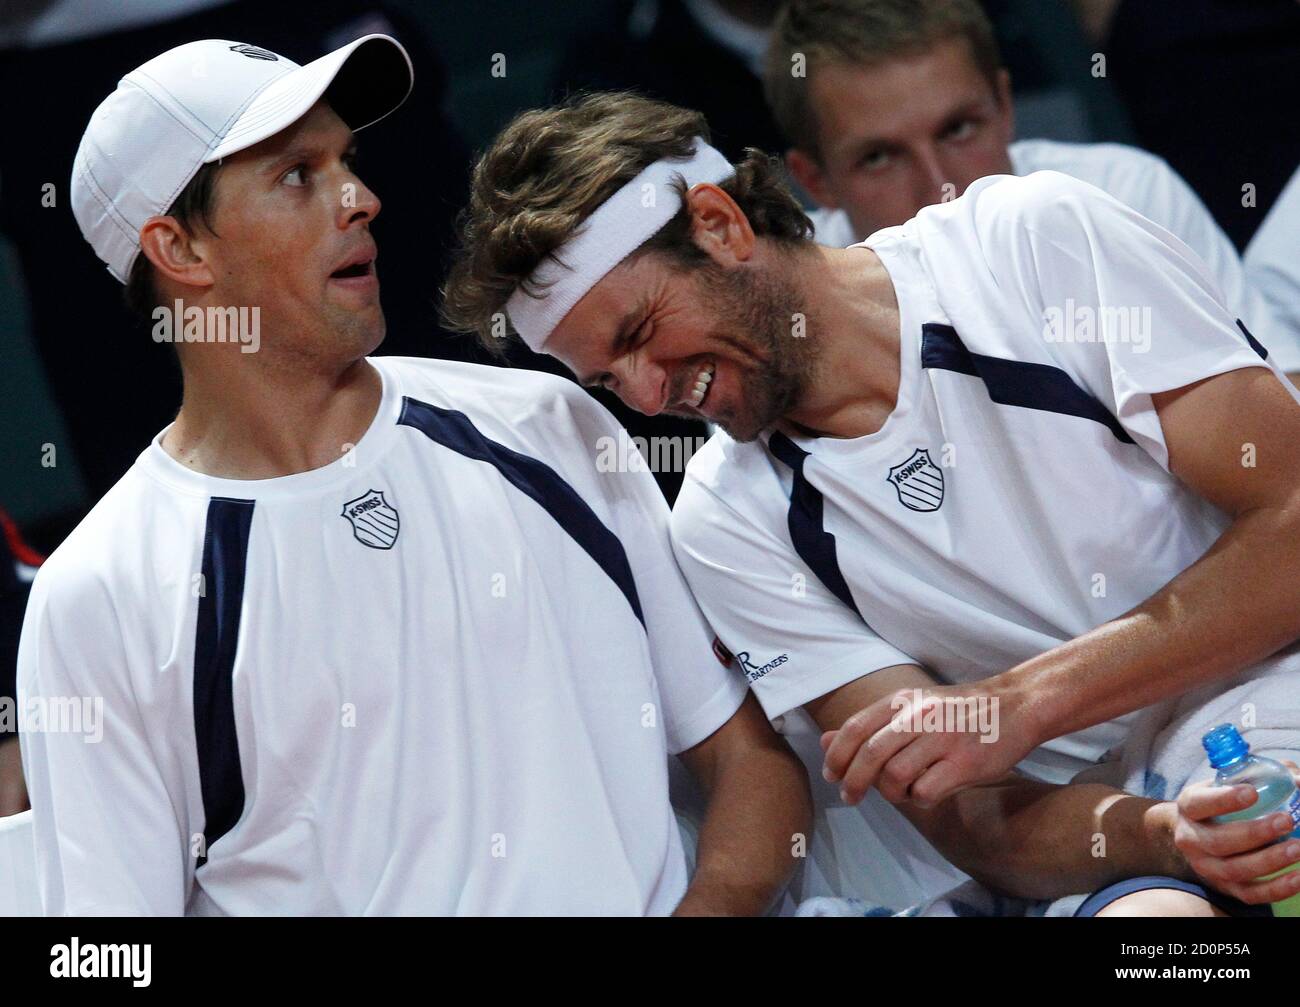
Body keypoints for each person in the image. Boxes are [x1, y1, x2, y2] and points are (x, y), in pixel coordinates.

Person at [441, 90, 1300, 915]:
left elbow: (1292, 514)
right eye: (604, 377)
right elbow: (978, 823)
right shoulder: (722, 524)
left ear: (721, 224)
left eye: (638, 334)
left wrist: (1023, 701)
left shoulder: (1032, 242)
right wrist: (1163, 835)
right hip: (1134, 839)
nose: (644, 393)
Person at [18, 38, 809, 916]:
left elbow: (749, 767)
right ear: (178, 247)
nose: (362, 199)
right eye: (297, 176)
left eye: (345, 162)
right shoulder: (102, 594)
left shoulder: (551, 427)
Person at [762, 0, 1300, 380]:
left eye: (959, 129)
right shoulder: (792, 311)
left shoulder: (1127, 194)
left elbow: (1282, 386)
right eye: (879, 158)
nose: (941, 187)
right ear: (815, 181)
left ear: (1005, 106)